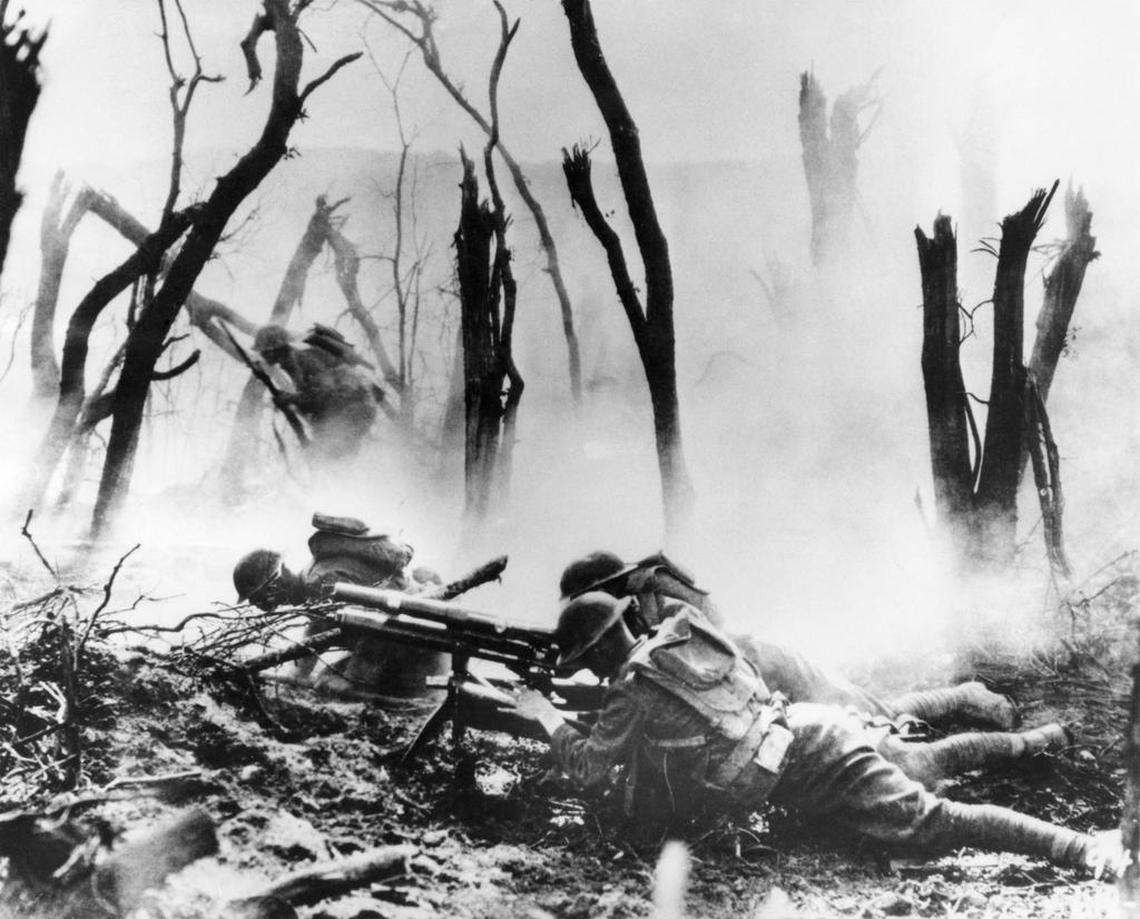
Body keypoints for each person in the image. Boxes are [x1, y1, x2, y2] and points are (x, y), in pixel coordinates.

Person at [507, 592, 1122, 877]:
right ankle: (1041, 744)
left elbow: (589, 769)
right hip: (802, 736)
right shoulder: (675, 642)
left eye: (585, 661)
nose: (589, 671)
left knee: (932, 820)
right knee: (920, 772)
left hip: (810, 758)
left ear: (597, 650)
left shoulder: (634, 687)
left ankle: (1087, 849)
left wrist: (544, 715)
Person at [558, 551, 1017, 731]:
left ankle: (967, 696)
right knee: (862, 716)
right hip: (745, 686)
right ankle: (957, 704)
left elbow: (709, 630)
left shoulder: (652, 594)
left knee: (871, 713)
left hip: (763, 664)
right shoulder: (630, 614)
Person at [233, 513, 446, 695]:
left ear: (273, 585)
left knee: (331, 688)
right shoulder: (312, 581)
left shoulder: (320, 582)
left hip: (418, 644)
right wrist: (299, 672)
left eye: (259, 600)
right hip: (406, 638)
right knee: (325, 682)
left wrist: (352, 678)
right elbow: (318, 628)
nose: (262, 607)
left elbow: (376, 622)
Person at [253, 323, 380, 462]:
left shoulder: (304, 358)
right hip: (350, 410)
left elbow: (323, 392)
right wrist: (288, 402)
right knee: (329, 460)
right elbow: (316, 399)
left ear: (274, 350)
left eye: (264, 352)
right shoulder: (293, 362)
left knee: (328, 459)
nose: (262, 356)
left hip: (352, 409)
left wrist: (290, 398)